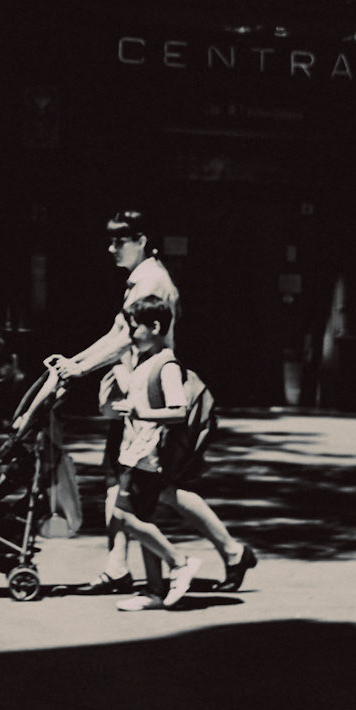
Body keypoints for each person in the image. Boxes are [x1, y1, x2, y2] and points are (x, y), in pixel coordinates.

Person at [55, 209, 256, 595]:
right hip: (138, 394)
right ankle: (121, 567)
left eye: (120, 241)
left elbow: (124, 339)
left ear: (141, 240)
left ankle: (226, 553)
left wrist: (79, 369)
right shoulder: (140, 279)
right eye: (111, 240)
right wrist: (74, 363)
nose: (112, 248)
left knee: (152, 486)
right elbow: (117, 332)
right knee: (125, 480)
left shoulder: (151, 281)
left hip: (152, 399)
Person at [103, 299, 200, 611]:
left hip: (149, 456)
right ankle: (154, 590)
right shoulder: (147, 361)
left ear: (155, 327)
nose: (130, 335)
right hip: (135, 453)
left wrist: (140, 412)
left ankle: (179, 561)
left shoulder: (167, 365)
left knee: (125, 517)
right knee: (142, 518)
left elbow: (179, 410)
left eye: (134, 328)